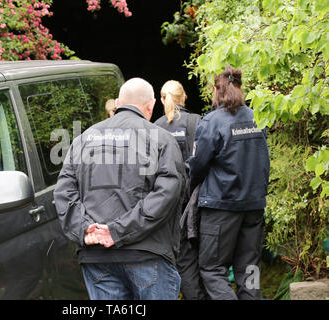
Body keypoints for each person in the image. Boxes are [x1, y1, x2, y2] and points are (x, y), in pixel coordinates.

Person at [54, 77, 186, 300]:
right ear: (151, 105)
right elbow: (166, 196)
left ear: (117, 103)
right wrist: (116, 231)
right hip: (147, 255)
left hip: (97, 257)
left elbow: (63, 192)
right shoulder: (162, 140)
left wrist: (86, 229)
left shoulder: (83, 139)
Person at [188, 65, 270, 300]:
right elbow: (264, 161)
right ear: (240, 88)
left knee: (212, 269)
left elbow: (198, 165)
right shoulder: (257, 117)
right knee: (250, 269)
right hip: (253, 206)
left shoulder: (212, 121)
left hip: (221, 207)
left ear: (215, 90)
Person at [154, 80, 207, 300]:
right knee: (202, 260)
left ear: (162, 99)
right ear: (184, 97)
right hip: (197, 203)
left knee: (179, 260)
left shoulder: (155, 126)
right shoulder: (197, 122)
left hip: (168, 206)